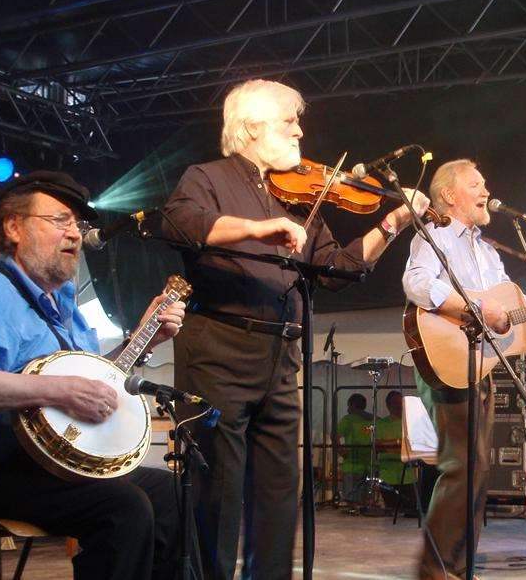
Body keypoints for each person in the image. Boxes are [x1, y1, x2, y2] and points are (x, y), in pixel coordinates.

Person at [161, 79, 429, 580]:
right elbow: (179, 223)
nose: (300, 132)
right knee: (216, 490)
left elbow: (337, 267)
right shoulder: (208, 177)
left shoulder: (300, 196)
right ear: (251, 128)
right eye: (289, 123)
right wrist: (257, 228)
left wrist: (393, 223)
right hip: (220, 347)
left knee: (280, 492)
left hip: (282, 354)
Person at [0, 171, 197, 580]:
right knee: (125, 506)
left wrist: (144, 337)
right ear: (13, 226)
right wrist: (59, 389)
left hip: (37, 469)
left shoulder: (65, 306)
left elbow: (92, 381)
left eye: (79, 225)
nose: (75, 236)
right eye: (59, 221)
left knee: (173, 494)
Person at [402, 159, 526, 580]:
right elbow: (417, 284)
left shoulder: (489, 251)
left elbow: (512, 311)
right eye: (475, 183)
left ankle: (460, 566)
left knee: (477, 470)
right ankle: (435, 570)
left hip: (480, 364)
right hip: (445, 358)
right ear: (450, 196)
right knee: (462, 466)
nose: (485, 189)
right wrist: (474, 306)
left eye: (484, 181)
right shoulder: (435, 234)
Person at [376, 390, 417, 514]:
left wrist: (390, 444)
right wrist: (399, 444)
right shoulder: (381, 424)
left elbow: (412, 444)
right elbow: (378, 446)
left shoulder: (411, 423)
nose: (399, 406)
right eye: (395, 403)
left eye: (401, 403)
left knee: (410, 512)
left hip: (408, 477)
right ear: (388, 405)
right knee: (391, 511)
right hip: (387, 476)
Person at [337, 393, 374, 503]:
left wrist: (342, 452)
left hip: (352, 465)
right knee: (366, 500)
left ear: (352, 405)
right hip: (369, 465)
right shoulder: (374, 419)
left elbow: (335, 436)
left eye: (348, 405)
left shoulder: (348, 419)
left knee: (351, 500)